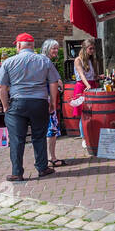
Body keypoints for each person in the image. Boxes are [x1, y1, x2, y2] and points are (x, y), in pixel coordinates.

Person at [0, 33, 61, 182]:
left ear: (18, 45)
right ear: (33, 45)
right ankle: (42, 168)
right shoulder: (44, 61)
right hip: (39, 102)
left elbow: (1, 86)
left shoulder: (9, 62)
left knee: (17, 139)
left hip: (17, 103)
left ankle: (17, 172)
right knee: (39, 136)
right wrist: (52, 103)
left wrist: (6, 106)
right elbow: (54, 83)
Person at [41, 39, 68, 168]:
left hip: (42, 99)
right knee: (51, 129)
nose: (56, 51)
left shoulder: (42, 60)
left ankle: (48, 158)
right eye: (54, 48)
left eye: (57, 48)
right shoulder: (45, 61)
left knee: (47, 129)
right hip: (47, 100)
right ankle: (51, 158)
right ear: (47, 48)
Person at [73, 39, 99, 151]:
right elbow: (81, 75)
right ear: (84, 48)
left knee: (93, 113)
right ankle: (84, 138)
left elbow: (92, 76)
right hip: (82, 87)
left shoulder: (91, 60)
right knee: (84, 114)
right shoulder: (78, 60)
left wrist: (99, 77)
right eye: (90, 48)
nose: (92, 51)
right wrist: (87, 85)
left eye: (93, 48)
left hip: (91, 86)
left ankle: (92, 136)